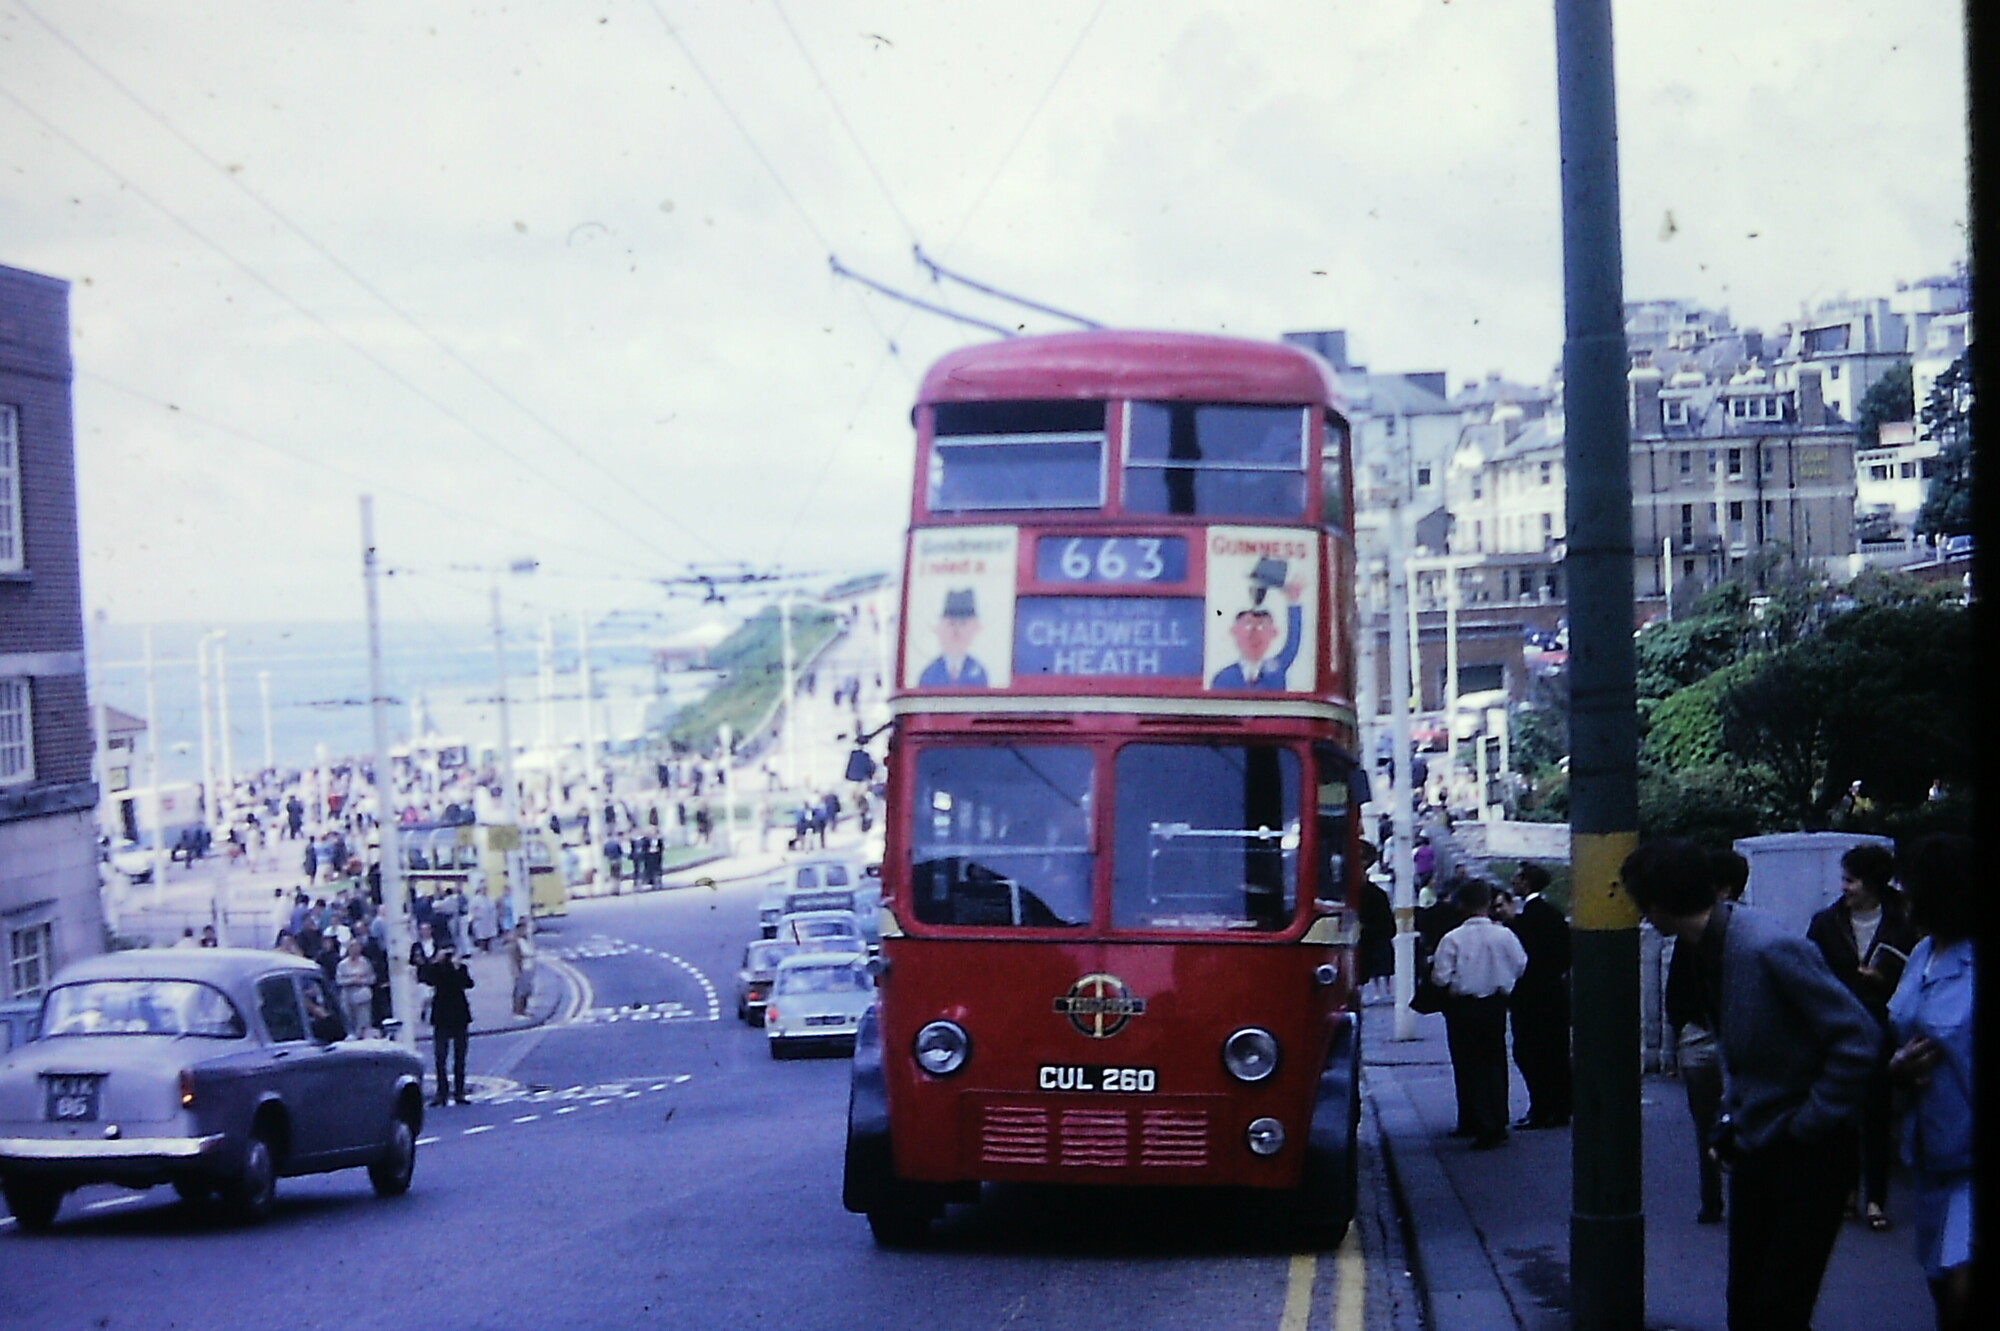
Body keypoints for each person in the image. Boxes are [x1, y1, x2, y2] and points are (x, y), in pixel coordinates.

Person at [1621, 837, 1877, 1331]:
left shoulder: (1765, 947)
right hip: (1764, 1141)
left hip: (1809, 1149)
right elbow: (1743, 1056)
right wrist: (1730, 1122)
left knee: (1778, 1306)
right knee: (1748, 1301)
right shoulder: (1707, 948)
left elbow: (1857, 1037)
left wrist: (1810, 1121)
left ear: (1653, 907)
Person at [1883, 834, 1974, 1331]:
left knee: (1963, 1284)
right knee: (1941, 1283)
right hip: (1929, 1151)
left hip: (1970, 1159)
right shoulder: (1921, 954)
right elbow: (1901, 1025)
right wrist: (1897, 1067)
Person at [1806, 842, 1918, 1232]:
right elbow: (1811, 973)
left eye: (1850, 880)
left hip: (1883, 1027)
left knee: (1877, 1111)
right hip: (1836, 1028)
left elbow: (1914, 979)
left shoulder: (1903, 926)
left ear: (1871, 883)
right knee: (1840, 1114)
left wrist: (1883, 981)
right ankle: (1847, 1191)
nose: (1845, 888)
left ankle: (1875, 1197)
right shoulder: (1825, 923)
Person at [1664, 846, 1748, 1225]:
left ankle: (1712, 1199)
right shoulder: (1752, 930)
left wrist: (1679, 1031)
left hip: (1702, 1035)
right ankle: (1734, 1197)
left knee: (1706, 1122)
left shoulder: (1694, 933)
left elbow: (1676, 989)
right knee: (1742, 1118)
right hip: (1727, 1033)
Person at [1429, 878, 1526, 1149]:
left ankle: (1474, 1120)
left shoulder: (1453, 939)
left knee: (1467, 1064)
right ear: (1487, 903)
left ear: (1462, 905)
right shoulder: (1504, 934)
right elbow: (1520, 964)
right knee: (1495, 1062)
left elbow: (1440, 977)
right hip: (1495, 1003)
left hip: (1464, 1006)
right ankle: (1497, 1119)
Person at [1502, 863, 1572, 1129]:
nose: (1513, 881)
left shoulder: (1527, 920)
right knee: (1556, 1052)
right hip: (1554, 992)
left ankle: (1541, 1107)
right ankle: (1561, 1107)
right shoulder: (1554, 914)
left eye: (1518, 877)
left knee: (1530, 1053)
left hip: (1530, 996)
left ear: (1526, 882)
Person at [1209, 576, 1303, 690]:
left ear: (1274, 632)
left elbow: (1292, 643)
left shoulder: (1276, 669)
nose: (1253, 632)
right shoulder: (1223, 677)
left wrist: (1293, 602)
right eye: (1247, 624)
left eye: (1261, 625)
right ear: (1234, 631)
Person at [422, 945, 475, 1106]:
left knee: (460, 1057)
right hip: (441, 1016)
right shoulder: (436, 969)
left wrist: (458, 967)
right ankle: (442, 1093)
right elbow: (427, 979)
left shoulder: (461, 968)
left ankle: (459, 1092)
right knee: (440, 1057)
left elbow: (468, 984)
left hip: (459, 1016)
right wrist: (434, 962)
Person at [917, 589, 990, 687]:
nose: (956, 631)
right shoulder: (929, 673)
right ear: (939, 629)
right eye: (951, 624)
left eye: (963, 624)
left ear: (974, 629)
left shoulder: (979, 672)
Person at [335, 938, 374, 1039]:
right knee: (349, 1019)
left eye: (356, 947)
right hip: (348, 995)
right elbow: (338, 980)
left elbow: (372, 978)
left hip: (362, 995)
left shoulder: (365, 962)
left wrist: (362, 981)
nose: (354, 949)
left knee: (363, 1020)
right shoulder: (342, 964)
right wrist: (351, 981)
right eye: (352, 947)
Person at [504, 921, 538, 1018]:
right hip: (522, 969)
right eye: (523, 929)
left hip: (528, 968)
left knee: (527, 990)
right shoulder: (516, 943)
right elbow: (515, 959)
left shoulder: (526, 939)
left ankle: (524, 1010)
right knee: (520, 991)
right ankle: (518, 1011)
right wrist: (516, 972)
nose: (525, 931)